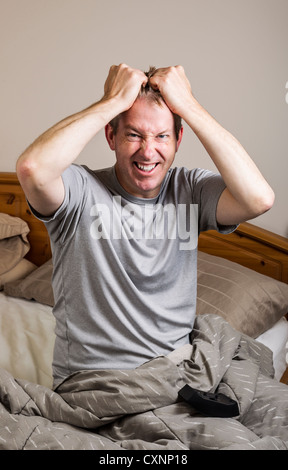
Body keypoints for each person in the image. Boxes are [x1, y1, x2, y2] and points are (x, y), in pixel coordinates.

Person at [16, 64, 274, 388]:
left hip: (176, 379)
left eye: (162, 136)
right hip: (95, 384)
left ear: (178, 139)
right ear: (112, 136)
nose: (148, 151)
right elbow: (32, 168)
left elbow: (259, 199)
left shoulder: (189, 190)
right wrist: (110, 102)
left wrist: (189, 104)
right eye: (134, 135)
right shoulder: (79, 191)